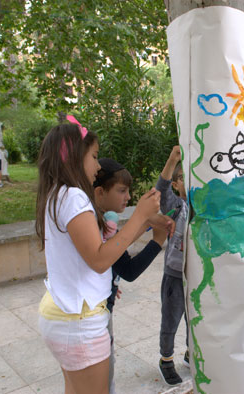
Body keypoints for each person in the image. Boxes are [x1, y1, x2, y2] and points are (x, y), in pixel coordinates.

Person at [35, 120, 173, 394]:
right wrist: (141, 216)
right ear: (74, 156)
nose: (97, 166)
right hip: (79, 321)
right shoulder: (74, 197)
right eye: (94, 156)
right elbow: (99, 259)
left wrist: (145, 224)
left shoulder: (56, 194)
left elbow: (100, 249)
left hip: (64, 315)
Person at [93, 157, 169, 394]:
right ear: (99, 192)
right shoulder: (95, 226)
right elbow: (128, 269)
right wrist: (157, 240)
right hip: (95, 318)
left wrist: (147, 224)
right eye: (122, 190)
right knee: (102, 380)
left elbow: (117, 251)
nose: (127, 197)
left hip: (102, 311)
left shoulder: (100, 222)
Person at [155, 145, 190, 386]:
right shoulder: (177, 206)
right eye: (183, 178)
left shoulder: (204, 210)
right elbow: (161, 190)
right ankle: (166, 359)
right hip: (175, 276)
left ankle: (192, 354)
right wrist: (171, 160)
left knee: (196, 319)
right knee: (171, 320)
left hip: (197, 278)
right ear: (177, 184)